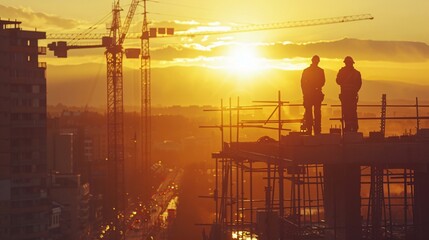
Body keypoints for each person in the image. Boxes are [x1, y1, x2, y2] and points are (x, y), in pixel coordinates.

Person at [301, 55, 325, 135]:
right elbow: (303, 83)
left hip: (313, 94)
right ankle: (314, 129)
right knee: (312, 112)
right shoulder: (318, 71)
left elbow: (322, 82)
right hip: (312, 94)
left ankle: (314, 129)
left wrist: (307, 91)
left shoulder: (308, 71)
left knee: (313, 112)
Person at [336, 56, 362, 132]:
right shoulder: (356, 73)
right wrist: (354, 91)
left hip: (345, 95)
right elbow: (359, 84)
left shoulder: (342, 71)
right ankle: (354, 127)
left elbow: (338, 81)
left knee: (346, 111)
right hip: (352, 95)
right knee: (353, 111)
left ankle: (348, 127)